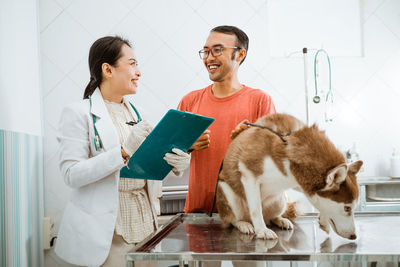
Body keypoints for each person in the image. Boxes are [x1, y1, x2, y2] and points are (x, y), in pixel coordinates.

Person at [55, 36, 190, 267]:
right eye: (132, 63)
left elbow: (144, 168)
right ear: (107, 69)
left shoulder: (140, 114)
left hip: (145, 223)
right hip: (107, 230)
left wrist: (174, 164)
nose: (138, 72)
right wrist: (122, 150)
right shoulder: (77, 113)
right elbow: (72, 174)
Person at [177, 25, 276, 267]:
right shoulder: (190, 101)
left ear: (239, 54)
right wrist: (186, 146)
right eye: (206, 51)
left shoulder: (260, 100)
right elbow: (167, 158)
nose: (209, 57)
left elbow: (274, 161)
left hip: (248, 215)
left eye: (217, 50)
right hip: (201, 215)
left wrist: (253, 142)